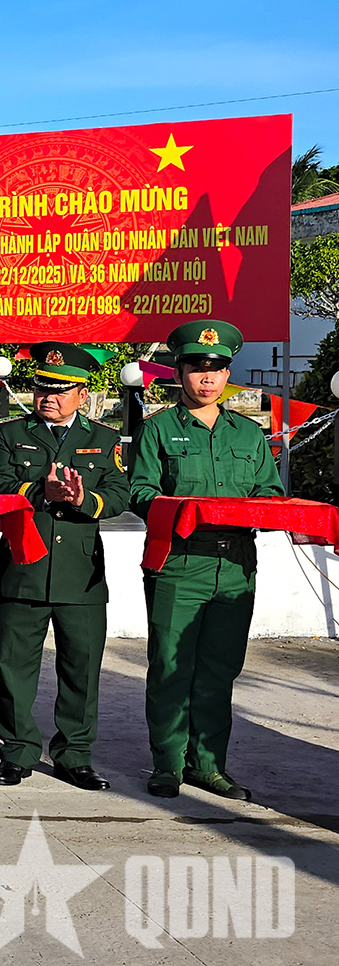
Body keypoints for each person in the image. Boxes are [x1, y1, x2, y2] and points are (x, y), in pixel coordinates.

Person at [128, 319, 281, 801]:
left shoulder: (248, 435)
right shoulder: (158, 430)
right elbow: (139, 492)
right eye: (197, 367)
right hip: (179, 563)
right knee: (171, 665)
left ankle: (208, 766)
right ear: (180, 370)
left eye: (217, 368)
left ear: (227, 372)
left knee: (219, 668)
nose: (207, 377)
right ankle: (168, 765)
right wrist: (182, 510)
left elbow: (271, 493)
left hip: (235, 564)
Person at [0, 342, 129, 792]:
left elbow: (121, 496)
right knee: (13, 669)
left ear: (82, 394)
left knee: (81, 670)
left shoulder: (103, 439)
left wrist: (85, 500)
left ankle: (75, 756)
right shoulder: (10, 434)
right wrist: (39, 492)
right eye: (44, 386)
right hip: (23, 570)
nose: (50, 395)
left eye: (63, 389)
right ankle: (17, 752)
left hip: (80, 578)